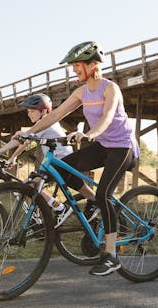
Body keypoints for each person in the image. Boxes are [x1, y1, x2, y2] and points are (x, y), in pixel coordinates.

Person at [16, 40, 139, 276]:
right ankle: (94, 203)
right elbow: (56, 115)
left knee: (105, 194)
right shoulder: (81, 91)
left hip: (122, 147)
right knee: (64, 170)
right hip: (102, 145)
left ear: (92, 65)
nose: (73, 70)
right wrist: (28, 133)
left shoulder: (110, 88)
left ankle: (111, 255)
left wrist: (88, 134)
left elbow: (107, 116)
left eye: (76, 66)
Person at [0, 93, 74, 212]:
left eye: (32, 111)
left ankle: (60, 208)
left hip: (61, 162)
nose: (29, 114)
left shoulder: (45, 124)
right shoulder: (44, 124)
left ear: (44, 111)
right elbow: (24, 140)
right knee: (29, 186)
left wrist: (1, 154)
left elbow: (22, 142)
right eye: (28, 111)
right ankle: (37, 216)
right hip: (56, 162)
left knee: (28, 186)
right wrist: (12, 156)